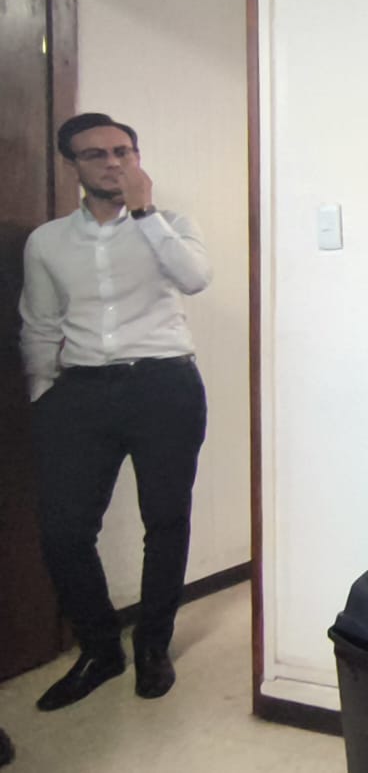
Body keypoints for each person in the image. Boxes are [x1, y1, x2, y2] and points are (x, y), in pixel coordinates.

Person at [20, 113, 211, 710]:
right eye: (97, 154)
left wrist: (145, 213)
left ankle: (153, 646)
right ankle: (101, 648)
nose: (114, 163)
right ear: (72, 165)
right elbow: (39, 322)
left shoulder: (172, 225)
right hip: (80, 391)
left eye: (124, 152)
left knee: (166, 520)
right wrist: (43, 395)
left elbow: (195, 278)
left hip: (164, 385)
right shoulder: (48, 241)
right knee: (65, 530)